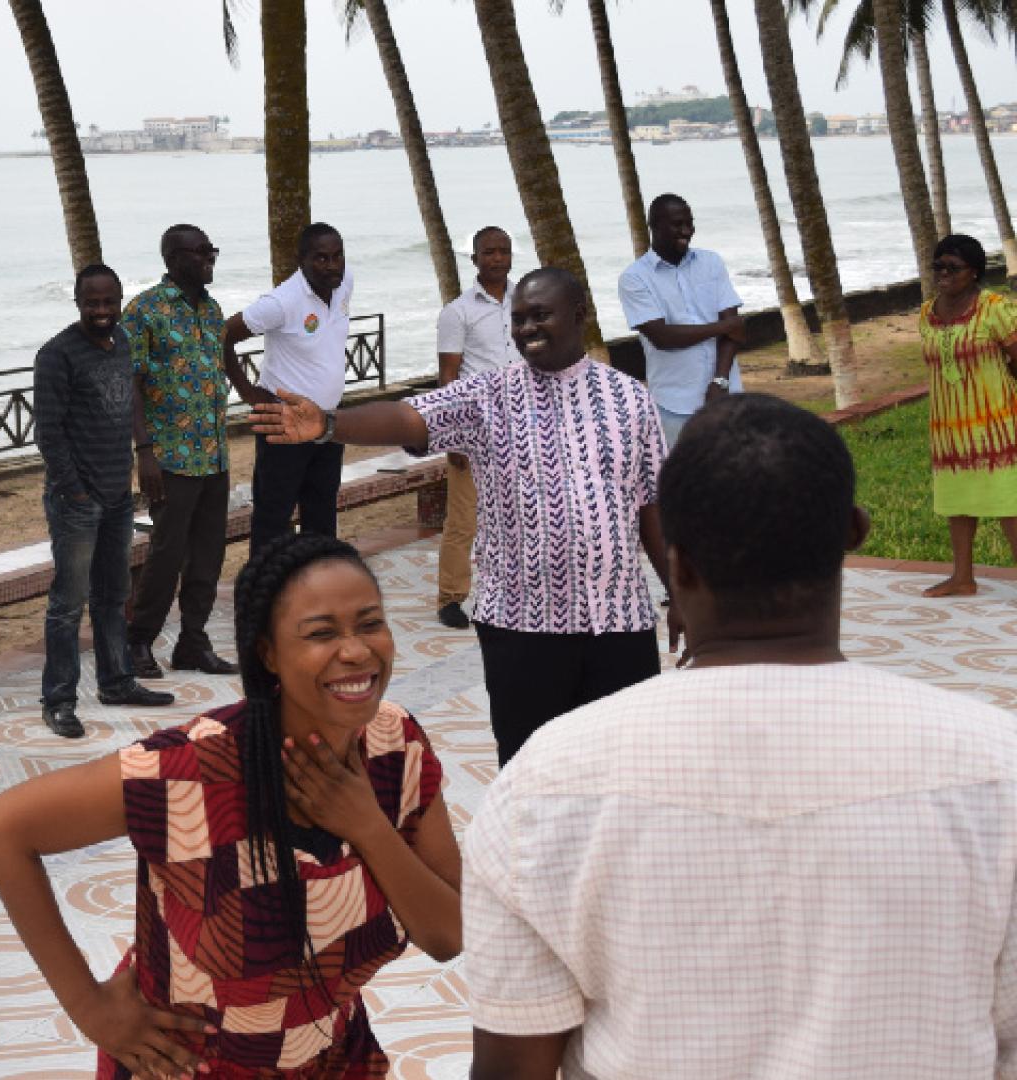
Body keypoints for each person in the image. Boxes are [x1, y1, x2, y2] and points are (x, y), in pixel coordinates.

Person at [464, 393, 1017, 1078]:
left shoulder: (543, 784)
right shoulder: (997, 771)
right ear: (854, 532)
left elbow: (512, 1065)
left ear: (678, 561)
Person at [0, 533, 463, 1078]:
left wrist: (367, 826)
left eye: (370, 623)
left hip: (335, 1060)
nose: (355, 651)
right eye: (321, 633)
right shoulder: (190, 770)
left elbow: (450, 935)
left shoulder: (397, 743)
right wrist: (91, 1009)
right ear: (268, 653)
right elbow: (1, 829)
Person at [252, 268, 674, 767]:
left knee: (625, 765)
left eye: (541, 315)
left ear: (579, 316)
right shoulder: (488, 395)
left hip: (619, 624)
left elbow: (651, 505)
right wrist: (328, 424)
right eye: (518, 319)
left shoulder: (629, 398)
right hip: (522, 628)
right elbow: (411, 417)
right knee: (529, 768)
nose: (527, 329)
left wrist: (680, 591)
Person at [34, 265, 174, 739]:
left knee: (114, 597)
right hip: (77, 501)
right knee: (68, 604)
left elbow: (129, 402)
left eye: (109, 302)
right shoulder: (56, 355)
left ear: (119, 300)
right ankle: (59, 699)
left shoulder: (123, 343)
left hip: (118, 496)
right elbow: (48, 433)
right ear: (77, 302)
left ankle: (117, 682)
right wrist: (74, 489)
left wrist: (141, 453)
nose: (102, 311)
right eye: (92, 303)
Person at [124, 225, 239, 679]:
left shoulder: (212, 312)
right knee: (166, 554)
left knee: (209, 554)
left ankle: (193, 640)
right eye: (200, 252)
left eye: (212, 250)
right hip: (170, 457)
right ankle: (139, 641)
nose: (209, 258)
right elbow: (130, 382)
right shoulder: (145, 311)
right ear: (173, 257)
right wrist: (144, 451)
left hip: (214, 454)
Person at [222, 223, 354, 556]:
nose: (332, 265)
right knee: (273, 518)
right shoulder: (281, 302)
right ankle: (264, 599)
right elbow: (221, 335)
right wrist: (248, 391)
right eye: (321, 258)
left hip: (327, 422)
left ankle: (317, 588)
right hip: (283, 424)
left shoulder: (344, 283)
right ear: (302, 260)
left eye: (337, 256)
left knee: (322, 513)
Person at [916, 232, 1017, 597]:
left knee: (1010, 501)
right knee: (957, 501)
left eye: (952, 267)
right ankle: (963, 578)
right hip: (948, 424)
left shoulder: (994, 308)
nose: (943, 273)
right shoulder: (927, 313)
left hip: (997, 421)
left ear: (973, 272)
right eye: (938, 266)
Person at [430, 226, 518, 630]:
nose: (498, 258)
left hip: (525, 424)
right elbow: (448, 376)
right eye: (489, 252)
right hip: (476, 428)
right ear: (475, 259)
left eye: (504, 251)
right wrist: (451, 434)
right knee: (464, 519)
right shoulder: (457, 312)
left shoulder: (527, 302)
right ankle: (451, 597)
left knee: (521, 512)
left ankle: (518, 587)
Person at [617, 193, 746, 448]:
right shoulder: (634, 279)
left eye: (690, 223)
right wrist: (722, 327)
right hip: (673, 404)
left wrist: (720, 381)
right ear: (654, 226)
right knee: (686, 481)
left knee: (737, 476)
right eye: (677, 224)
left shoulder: (711, 263)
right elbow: (662, 337)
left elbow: (735, 331)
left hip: (726, 395)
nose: (686, 231)